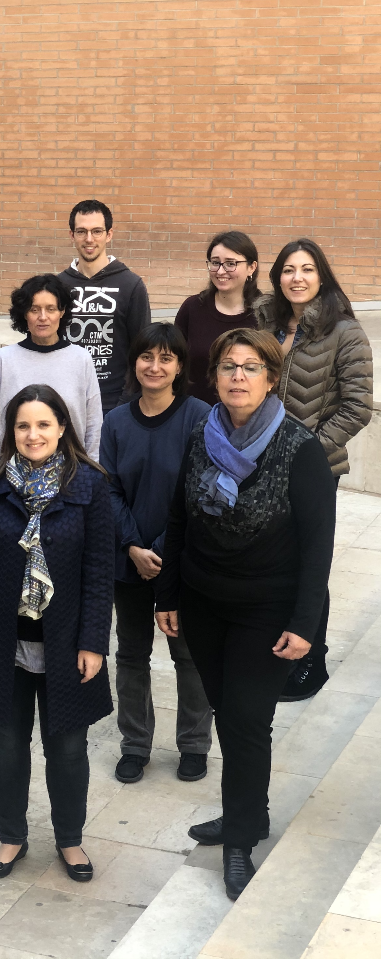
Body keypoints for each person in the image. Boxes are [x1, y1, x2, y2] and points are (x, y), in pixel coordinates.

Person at [155, 328, 335, 900]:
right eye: (228, 366)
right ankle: (249, 813)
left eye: (251, 367)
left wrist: (305, 626)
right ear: (214, 377)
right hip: (205, 603)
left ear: (272, 378)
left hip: (268, 611)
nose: (238, 376)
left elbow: (318, 547)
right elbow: (179, 518)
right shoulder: (201, 435)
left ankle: (239, 839)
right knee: (229, 714)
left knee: (246, 721)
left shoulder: (300, 448)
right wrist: (167, 594)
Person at [0, 384, 113, 885]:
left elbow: (99, 570)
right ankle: (12, 836)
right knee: (6, 741)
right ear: (10, 432)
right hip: (2, 639)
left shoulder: (89, 483)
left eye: (44, 424)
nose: (33, 434)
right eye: (23, 425)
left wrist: (93, 642)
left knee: (68, 747)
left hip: (67, 642)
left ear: (62, 427)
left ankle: (69, 839)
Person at [254, 239, 372, 700]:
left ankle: (310, 662)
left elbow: (357, 407)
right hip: (259, 461)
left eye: (306, 269)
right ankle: (274, 648)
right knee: (271, 560)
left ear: (321, 275)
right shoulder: (265, 323)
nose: (297, 278)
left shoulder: (344, 331)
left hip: (315, 468)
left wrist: (305, 453)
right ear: (277, 277)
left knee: (308, 561)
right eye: (288, 269)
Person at [100, 324, 212, 785]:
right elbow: (107, 490)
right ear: (134, 362)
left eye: (166, 358)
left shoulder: (200, 417)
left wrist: (162, 550)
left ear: (180, 366)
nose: (155, 366)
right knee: (131, 655)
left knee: (188, 656)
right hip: (128, 562)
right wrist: (133, 547)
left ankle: (194, 745)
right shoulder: (116, 421)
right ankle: (135, 746)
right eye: (147, 357)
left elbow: (200, 490)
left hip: (181, 563)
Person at [0, 274, 102, 460]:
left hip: (71, 468)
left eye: (51, 309)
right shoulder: (5, 358)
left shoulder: (81, 359)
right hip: (12, 468)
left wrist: (92, 468)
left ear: (62, 311)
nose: (43, 317)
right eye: (34, 309)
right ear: (24, 313)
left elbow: (94, 424)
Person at [57, 200, 152, 413]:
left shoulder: (130, 285)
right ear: (72, 235)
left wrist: (125, 403)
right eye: (81, 231)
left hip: (115, 403)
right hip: (65, 401)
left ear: (109, 234)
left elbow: (142, 349)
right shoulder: (58, 286)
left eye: (97, 231)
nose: (89, 239)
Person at [174, 232, 260, 405]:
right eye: (215, 263)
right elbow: (175, 361)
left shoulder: (265, 313)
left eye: (230, 264)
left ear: (251, 267)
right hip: (194, 412)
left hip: (247, 414)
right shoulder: (192, 308)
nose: (220, 271)